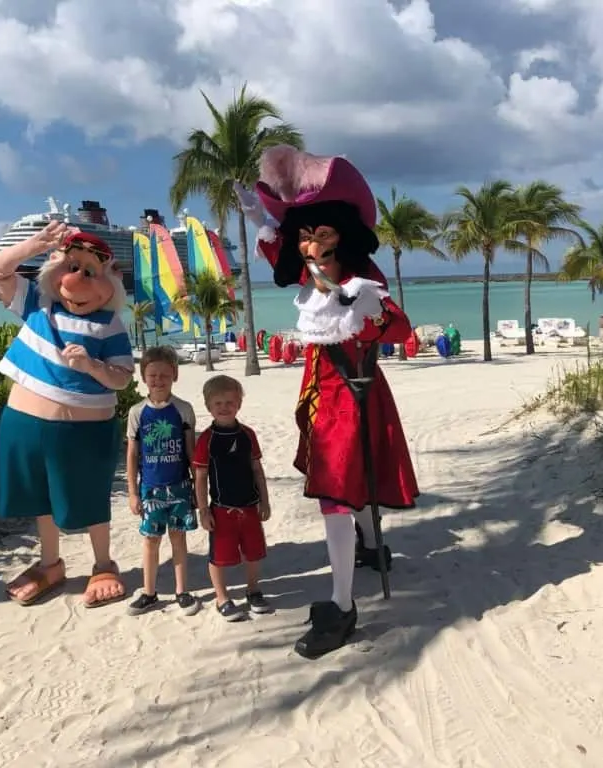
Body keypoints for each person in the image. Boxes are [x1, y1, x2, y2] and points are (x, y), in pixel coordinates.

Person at [236, 144, 420, 658]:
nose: (311, 244)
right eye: (306, 235)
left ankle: (342, 605)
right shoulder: (308, 277)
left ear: (343, 235)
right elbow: (279, 253)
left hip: (354, 395)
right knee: (343, 486)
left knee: (336, 495)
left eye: (322, 235)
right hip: (321, 394)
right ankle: (372, 547)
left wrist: (361, 306)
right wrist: (261, 220)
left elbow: (398, 329)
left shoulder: (365, 282)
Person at [0, 221, 135, 608]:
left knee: (89, 495)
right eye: (71, 268)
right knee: (39, 495)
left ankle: (103, 564)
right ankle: (49, 563)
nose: (77, 281)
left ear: (111, 283)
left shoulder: (110, 325)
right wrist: (33, 245)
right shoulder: (37, 303)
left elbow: (121, 378)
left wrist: (92, 367)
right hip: (24, 423)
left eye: (90, 273)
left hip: (83, 431)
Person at [125, 346, 200, 616]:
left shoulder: (183, 409)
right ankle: (149, 592)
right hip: (150, 488)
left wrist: (198, 489)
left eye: (164, 375)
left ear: (175, 376)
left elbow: (192, 451)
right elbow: (132, 454)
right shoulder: (137, 412)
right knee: (151, 541)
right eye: (152, 375)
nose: (158, 380)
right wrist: (133, 493)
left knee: (178, 539)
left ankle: (182, 591)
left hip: (180, 486)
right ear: (143, 376)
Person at [193, 375, 272, 621]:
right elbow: (200, 476)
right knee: (218, 556)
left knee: (254, 552)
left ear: (239, 404)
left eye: (230, 402)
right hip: (221, 509)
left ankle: (253, 589)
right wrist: (203, 510)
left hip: (249, 506)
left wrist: (265, 501)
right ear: (209, 407)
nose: (224, 407)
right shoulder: (207, 438)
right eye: (218, 403)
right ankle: (221, 597)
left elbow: (257, 470)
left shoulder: (248, 434)